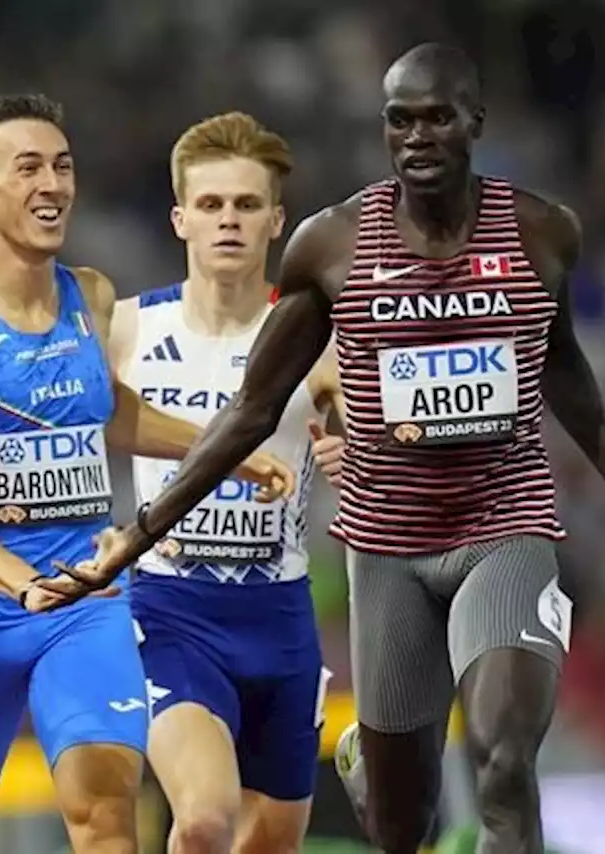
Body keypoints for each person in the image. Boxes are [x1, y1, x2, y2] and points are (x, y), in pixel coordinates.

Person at [32, 44, 605, 854]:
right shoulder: (331, 245)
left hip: (504, 528)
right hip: (383, 552)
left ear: (475, 122)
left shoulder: (541, 232)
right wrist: (136, 534)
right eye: (399, 121)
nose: (417, 137)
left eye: (437, 117)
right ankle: (373, 774)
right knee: (397, 822)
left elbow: (556, 359)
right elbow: (249, 411)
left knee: (502, 759)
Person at [0, 93, 292, 854]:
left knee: (105, 805)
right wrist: (19, 584)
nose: (53, 185)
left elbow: (107, 413)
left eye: (63, 167)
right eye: (29, 168)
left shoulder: (92, 296)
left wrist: (221, 445)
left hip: (86, 603)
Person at [108, 112, 343, 854]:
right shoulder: (125, 331)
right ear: (180, 218)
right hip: (170, 609)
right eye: (210, 206)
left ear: (278, 221)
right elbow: (60, 428)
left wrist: (361, 459)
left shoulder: (320, 335)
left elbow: (382, 445)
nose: (228, 222)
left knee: (269, 842)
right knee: (204, 819)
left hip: (280, 616)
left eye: (246, 206)